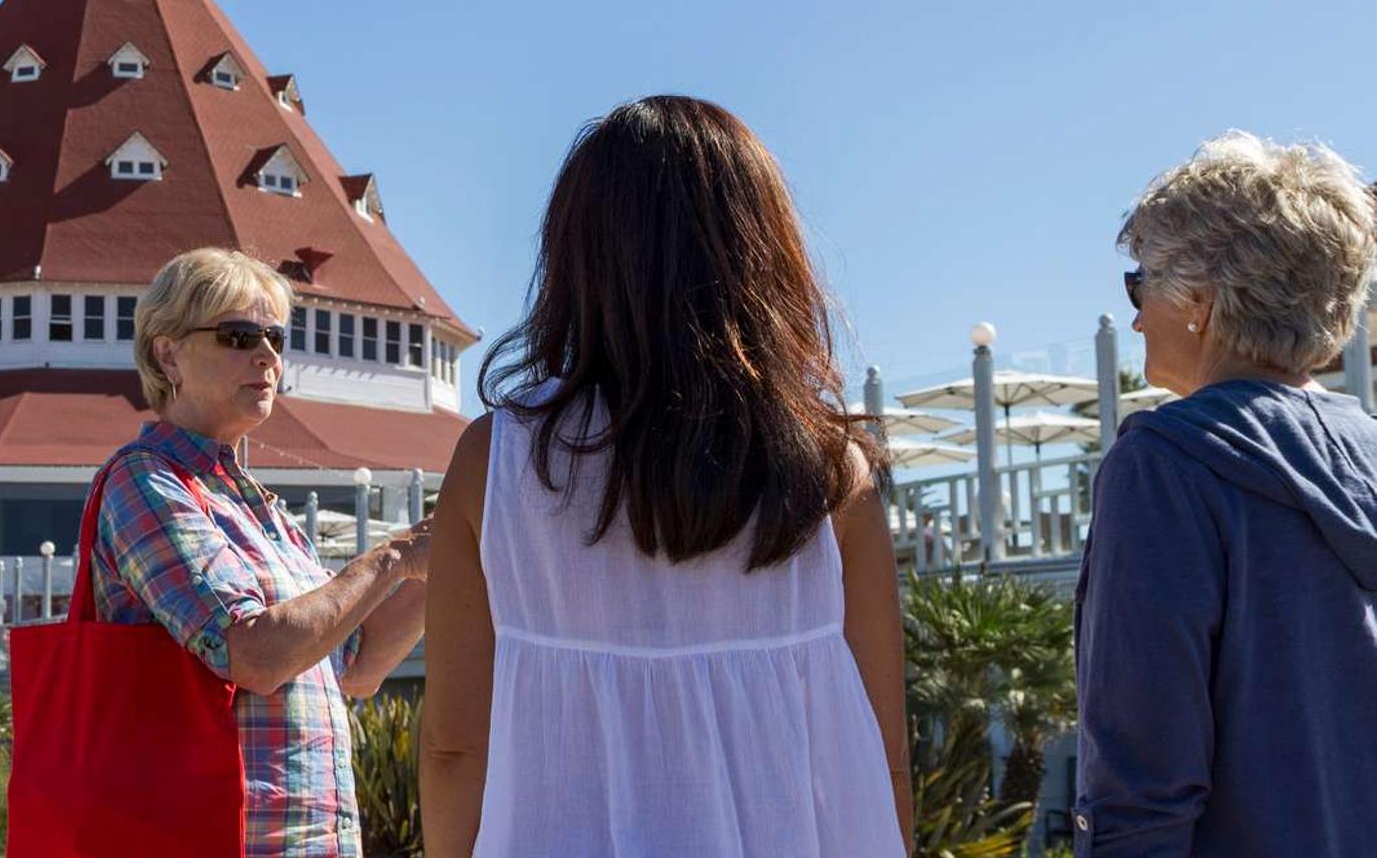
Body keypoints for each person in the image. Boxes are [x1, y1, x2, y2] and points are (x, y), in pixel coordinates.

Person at [418, 96, 912, 857]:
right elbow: (884, 753)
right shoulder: (831, 469)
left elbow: (456, 748)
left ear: (578, 255)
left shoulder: (497, 461)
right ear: (764, 250)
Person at [1074, 131, 1377, 857]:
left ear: (1200, 302)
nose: (1136, 315)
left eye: (1140, 283)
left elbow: (1141, 782)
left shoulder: (1165, 466)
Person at [89, 246, 430, 858]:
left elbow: (357, 666)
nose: (268, 355)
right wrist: (390, 559)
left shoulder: (259, 507)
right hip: (213, 838)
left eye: (275, 337)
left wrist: (446, 549)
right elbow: (253, 655)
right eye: (239, 336)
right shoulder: (145, 479)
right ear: (168, 354)